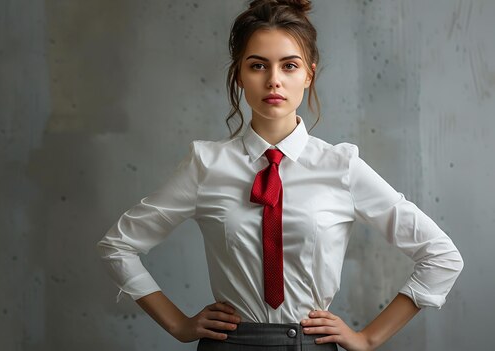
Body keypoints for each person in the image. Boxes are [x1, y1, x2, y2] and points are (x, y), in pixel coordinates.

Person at [96, 0, 464, 350]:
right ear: (238, 75)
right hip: (230, 346)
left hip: (311, 346)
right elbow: (118, 246)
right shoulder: (205, 164)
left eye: (289, 66)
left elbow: (441, 256)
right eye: (257, 66)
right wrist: (178, 325)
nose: (274, 80)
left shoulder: (341, 166)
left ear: (309, 74)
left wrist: (367, 339)